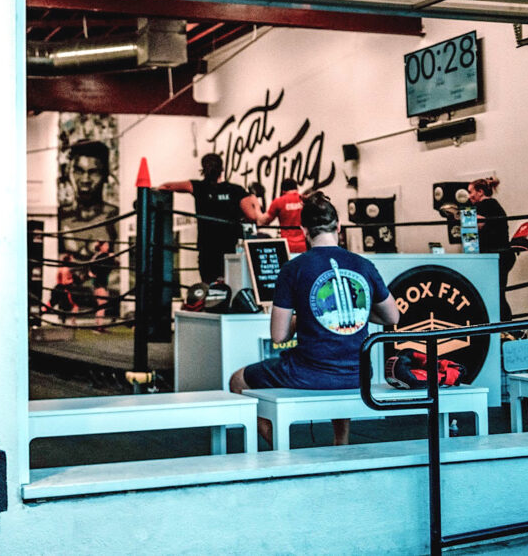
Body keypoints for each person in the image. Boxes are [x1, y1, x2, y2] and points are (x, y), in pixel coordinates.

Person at [229, 192, 400, 446]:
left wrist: (305, 317)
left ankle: (283, 445)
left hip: (309, 374)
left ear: (303, 230)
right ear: (339, 227)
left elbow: (279, 336)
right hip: (358, 374)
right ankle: (340, 442)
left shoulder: (293, 269)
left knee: (237, 380)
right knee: (339, 358)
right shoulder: (363, 265)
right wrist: (355, 314)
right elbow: (392, 316)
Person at [158, 153, 263, 283]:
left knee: (209, 286)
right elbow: (252, 217)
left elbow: (167, 186)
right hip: (229, 248)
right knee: (229, 287)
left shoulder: (198, 187)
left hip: (206, 248)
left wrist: (153, 192)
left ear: (203, 169)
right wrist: (254, 202)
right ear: (222, 169)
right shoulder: (236, 190)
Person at [443, 176, 515, 320]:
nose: (469, 197)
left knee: (496, 293)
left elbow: (478, 224)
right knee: (495, 292)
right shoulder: (491, 205)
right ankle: (503, 326)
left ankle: (505, 327)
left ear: (480, 192)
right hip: (497, 255)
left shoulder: (487, 205)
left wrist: (458, 215)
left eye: (471, 192)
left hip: (497, 256)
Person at [58, 141, 119, 310]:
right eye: (79, 171)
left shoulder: (114, 218)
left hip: (104, 290)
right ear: (69, 173)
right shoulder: (61, 219)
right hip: (72, 292)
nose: (85, 180)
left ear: (106, 174)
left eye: (93, 172)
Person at [258, 177, 307, 253]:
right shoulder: (305, 200)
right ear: (297, 189)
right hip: (305, 245)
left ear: (283, 191)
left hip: (287, 246)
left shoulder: (279, 201)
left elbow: (262, 222)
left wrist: (256, 207)